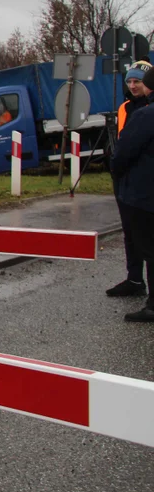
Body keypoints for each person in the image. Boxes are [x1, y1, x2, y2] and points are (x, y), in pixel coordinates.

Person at [108, 67, 154, 322]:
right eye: (131, 81)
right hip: (136, 186)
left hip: (140, 190)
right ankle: (135, 278)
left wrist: (117, 170)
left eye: (140, 81)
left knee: (146, 244)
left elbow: (124, 152)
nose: (135, 86)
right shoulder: (126, 108)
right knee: (135, 238)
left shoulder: (146, 115)